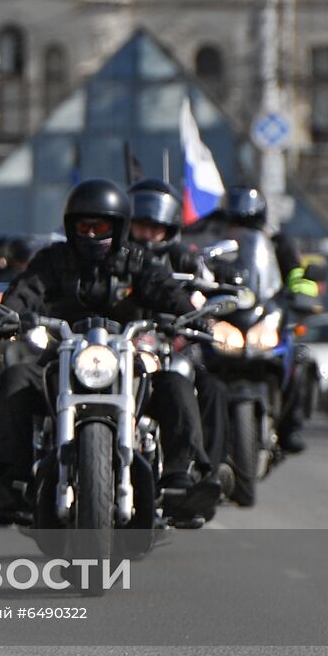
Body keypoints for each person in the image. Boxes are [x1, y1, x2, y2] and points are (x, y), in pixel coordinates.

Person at [0, 178, 221, 526]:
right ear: (71, 226)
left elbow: (166, 290)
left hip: (127, 362)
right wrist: (8, 315)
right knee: (16, 377)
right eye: (84, 226)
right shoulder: (53, 261)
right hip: (62, 359)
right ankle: (12, 479)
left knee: (175, 383)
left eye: (101, 226)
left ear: (119, 227)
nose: (92, 235)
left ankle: (181, 480)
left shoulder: (137, 262)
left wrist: (189, 317)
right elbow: (27, 289)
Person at [194, 186, 319, 453]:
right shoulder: (213, 244)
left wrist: (299, 296)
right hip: (225, 317)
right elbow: (198, 278)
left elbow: (297, 277)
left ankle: (291, 427)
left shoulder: (278, 244)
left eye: (248, 223)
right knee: (191, 360)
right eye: (236, 222)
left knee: (299, 357)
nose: (241, 229)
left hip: (262, 313)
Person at [127, 177, 232, 486]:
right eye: (140, 225)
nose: (146, 234)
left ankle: (205, 473)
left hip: (173, 344)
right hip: (124, 346)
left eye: (154, 226)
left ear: (170, 227)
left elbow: (209, 284)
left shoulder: (185, 257)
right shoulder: (117, 257)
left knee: (211, 388)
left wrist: (204, 304)